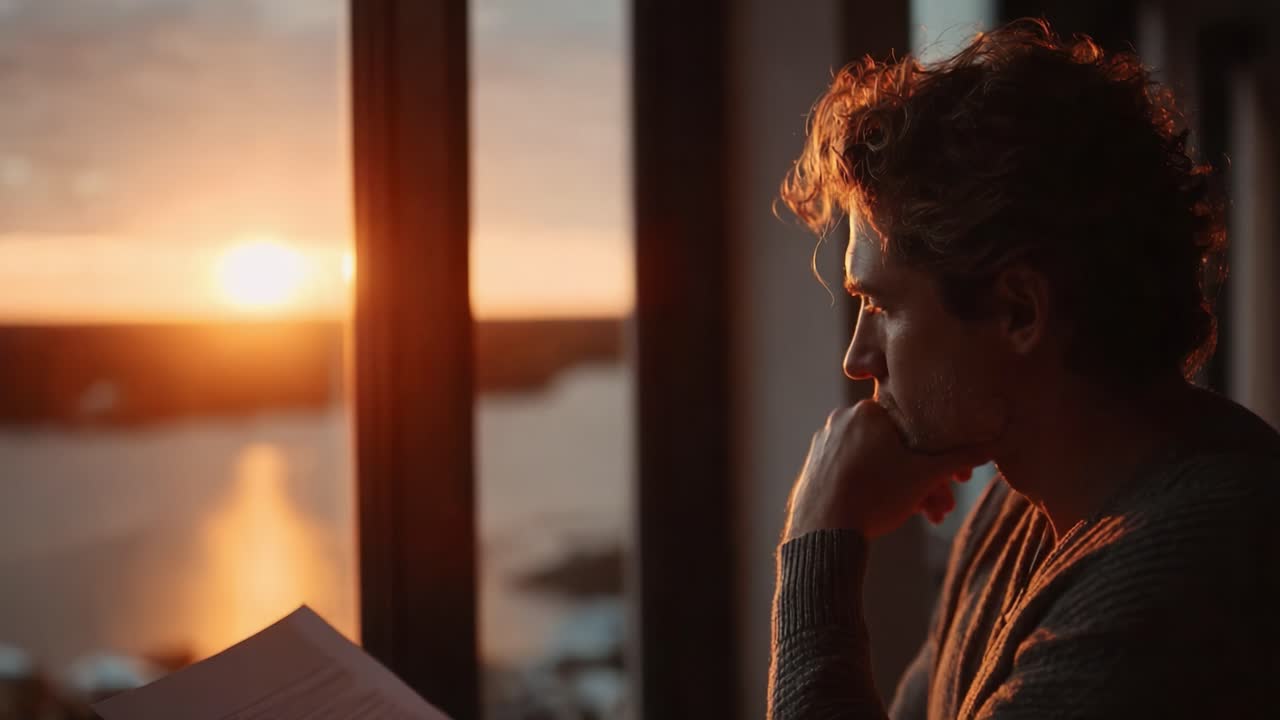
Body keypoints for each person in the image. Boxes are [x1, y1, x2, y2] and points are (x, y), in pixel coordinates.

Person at [767, 18, 1280, 719]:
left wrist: (818, 541)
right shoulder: (1022, 503)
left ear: (1019, 313)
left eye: (881, 307)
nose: (858, 357)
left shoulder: (1180, 584)